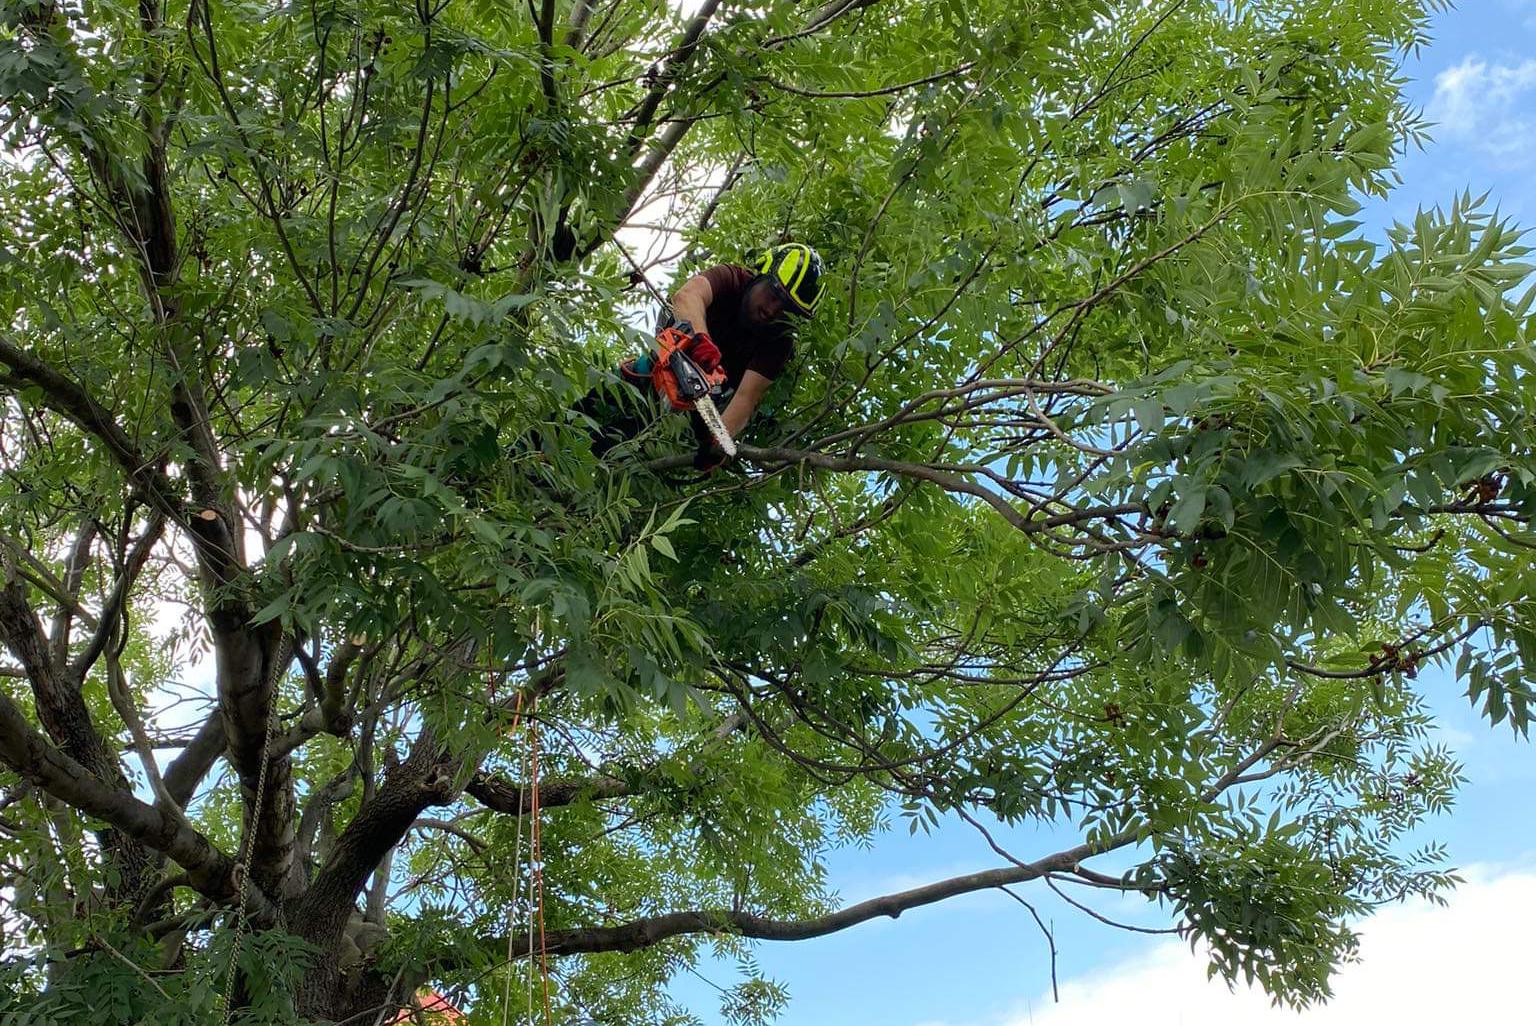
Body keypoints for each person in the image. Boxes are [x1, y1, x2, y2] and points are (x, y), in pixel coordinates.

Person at [588, 242, 824, 468]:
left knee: (621, 452)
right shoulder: (732, 278)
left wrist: (720, 443)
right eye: (774, 295)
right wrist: (701, 341)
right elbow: (687, 296)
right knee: (595, 407)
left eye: (786, 310)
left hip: (699, 410)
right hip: (658, 369)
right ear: (761, 275)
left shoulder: (779, 343)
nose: (773, 310)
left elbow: (747, 397)